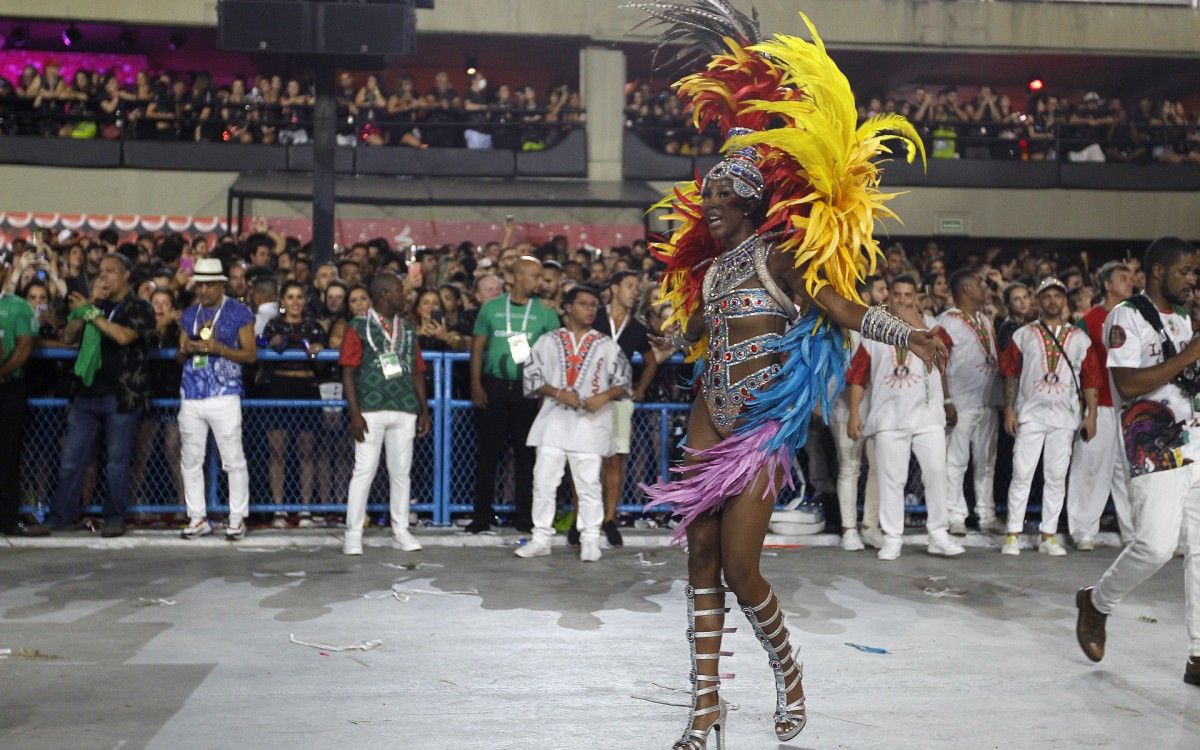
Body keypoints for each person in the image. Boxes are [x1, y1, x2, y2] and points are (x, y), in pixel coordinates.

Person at [633, 4, 943, 746]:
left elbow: (838, 304)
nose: (705, 208)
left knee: (742, 567)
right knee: (699, 554)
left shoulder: (779, 258)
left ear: (748, 200)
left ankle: (789, 670)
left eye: (718, 197)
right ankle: (705, 705)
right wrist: (671, 335)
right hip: (712, 407)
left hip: (765, 421)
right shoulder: (709, 272)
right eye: (705, 197)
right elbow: (701, 333)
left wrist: (906, 333)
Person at [1076, 237, 1200, 687]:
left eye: (1195, 272)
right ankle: (1097, 603)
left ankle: (1198, 654)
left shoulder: (1188, 319)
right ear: (1159, 272)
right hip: (1155, 446)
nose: (1192, 279)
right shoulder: (1125, 317)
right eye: (1185, 271)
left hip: (1197, 442)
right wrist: (1189, 355)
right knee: (1155, 547)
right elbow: (1126, 384)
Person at [847, 275, 965, 561]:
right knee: (891, 480)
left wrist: (916, 321)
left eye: (908, 295)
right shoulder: (874, 331)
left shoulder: (933, 327)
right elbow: (859, 375)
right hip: (888, 417)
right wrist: (853, 413)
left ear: (916, 298)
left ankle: (938, 535)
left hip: (928, 414)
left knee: (936, 473)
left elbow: (944, 359)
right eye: (897, 294)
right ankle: (893, 538)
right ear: (889, 297)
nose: (902, 300)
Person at [516, 285, 631, 561]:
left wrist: (603, 396)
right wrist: (558, 393)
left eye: (594, 305)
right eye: (584, 304)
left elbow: (624, 381)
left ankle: (591, 537)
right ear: (568, 307)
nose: (590, 309)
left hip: (590, 425)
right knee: (543, 482)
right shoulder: (548, 340)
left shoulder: (605, 344)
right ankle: (541, 537)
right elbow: (531, 378)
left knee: (589, 484)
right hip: (553, 423)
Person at [47, 253, 155, 536]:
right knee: (71, 460)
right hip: (85, 394)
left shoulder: (140, 307)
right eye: (101, 271)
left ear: (127, 275)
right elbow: (69, 336)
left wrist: (91, 313)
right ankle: (60, 516)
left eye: (111, 271)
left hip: (120, 396)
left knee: (117, 462)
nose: (104, 276)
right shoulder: (93, 304)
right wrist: (92, 305)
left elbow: (123, 336)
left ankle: (114, 517)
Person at [999, 277, 1100, 557]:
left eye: (1058, 296)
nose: (1053, 301)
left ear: (1064, 300)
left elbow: (1091, 378)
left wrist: (1091, 415)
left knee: (1056, 477)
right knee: (1022, 473)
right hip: (1030, 414)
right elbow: (1011, 373)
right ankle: (1013, 535)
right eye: (1047, 296)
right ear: (1038, 301)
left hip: (1065, 417)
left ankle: (1048, 536)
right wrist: (1009, 409)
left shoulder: (1080, 338)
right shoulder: (1024, 334)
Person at [339, 271, 432, 555]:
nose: (404, 295)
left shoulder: (407, 328)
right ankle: (353, 534)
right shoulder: (357, 326)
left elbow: (417, 371)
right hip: (370, 409)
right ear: (384, 295)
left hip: (404, 408)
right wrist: (355, 413)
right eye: (398, 291)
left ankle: (400, 530)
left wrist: (423, 410)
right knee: (364, 471)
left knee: (401, 473)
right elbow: (348, 372)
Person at [467, 256, 560, 533]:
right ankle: (481, 517)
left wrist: (547, 392)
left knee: (526, 456)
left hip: (530, 389)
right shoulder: (491, 308)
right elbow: (477, 348)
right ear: (519, 277)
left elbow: (554, 355)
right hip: (494, 386)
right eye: (535, 277)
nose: (540, 282)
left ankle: (526, 518)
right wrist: (476, 384)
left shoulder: (546, 312)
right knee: (488, 455)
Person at [176, 259, 257, 540]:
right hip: (192, 393)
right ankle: (197, 517)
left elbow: (250, 354)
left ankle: (236, 518)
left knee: (233, 459)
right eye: (199, 284)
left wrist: (219, 348)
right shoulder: (189, 313)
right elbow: (178, 354)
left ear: (221, 284)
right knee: (190, 458)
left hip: (225, 393)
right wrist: (187, 348)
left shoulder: (239, 312)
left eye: (209, 284)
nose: (204, 290)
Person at [584, 269, 658, 548]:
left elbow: (651, 361)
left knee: (615, 460)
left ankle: (610, 519)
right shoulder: (595, 316)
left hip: (619, 400)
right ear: (614, 288)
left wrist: (640, 389)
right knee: (586, 460)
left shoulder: (637, 327)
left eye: (637, 288)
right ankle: (584, 519)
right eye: (629, 286)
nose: (635, 292)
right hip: (588, 399)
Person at [1067, 261, 1135, 549]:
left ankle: (1135, 534)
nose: (1130, 282)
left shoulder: (1137, 316)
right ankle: (1083, 532)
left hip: (1132, 406)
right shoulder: (1089, 320)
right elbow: (1079, 366)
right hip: (1100, 405)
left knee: (1131, 472)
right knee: (1090, 468)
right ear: (1107, 284)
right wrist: (1087, 409)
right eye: (1123, 278)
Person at [936, 268, 1003, 535]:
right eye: (979, 284)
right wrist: (947, 400)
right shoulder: (947, 322)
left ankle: (986, 515)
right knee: (955, 462)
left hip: (987, 401)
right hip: (961, 403)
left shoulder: (984, 320)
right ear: (965, 289)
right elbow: (938, 362)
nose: (984, 287)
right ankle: (955, 516)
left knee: (986, 462)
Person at [260, 281, 327, 528]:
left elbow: (324, 364)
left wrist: (320, 349)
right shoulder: (273, 326)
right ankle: (279, 509)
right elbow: (260, 345)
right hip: (280, 388)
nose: (295, 301)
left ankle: (305, 509)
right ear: (282, 302)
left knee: (307, 452)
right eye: (290, 297)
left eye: (299, 296)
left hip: (307, 388)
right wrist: (271, 342)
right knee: (277, 451)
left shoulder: (314, 328)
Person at [829, 276, 883, 550]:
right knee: (849, 468)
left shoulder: (878, 327)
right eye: (881, 290)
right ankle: (848, 528)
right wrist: (851, 411)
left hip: (877, 411)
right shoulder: (838, 327)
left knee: (877, 469)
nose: (885, 296)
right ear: (864, 295)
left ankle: (870, 526)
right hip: (844, 409)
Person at [0, 262, 48, 536]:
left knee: (8, 454)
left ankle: (6, 518)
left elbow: (25, 345)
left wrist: (3, 373)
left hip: (8, 388)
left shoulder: (19, 307)